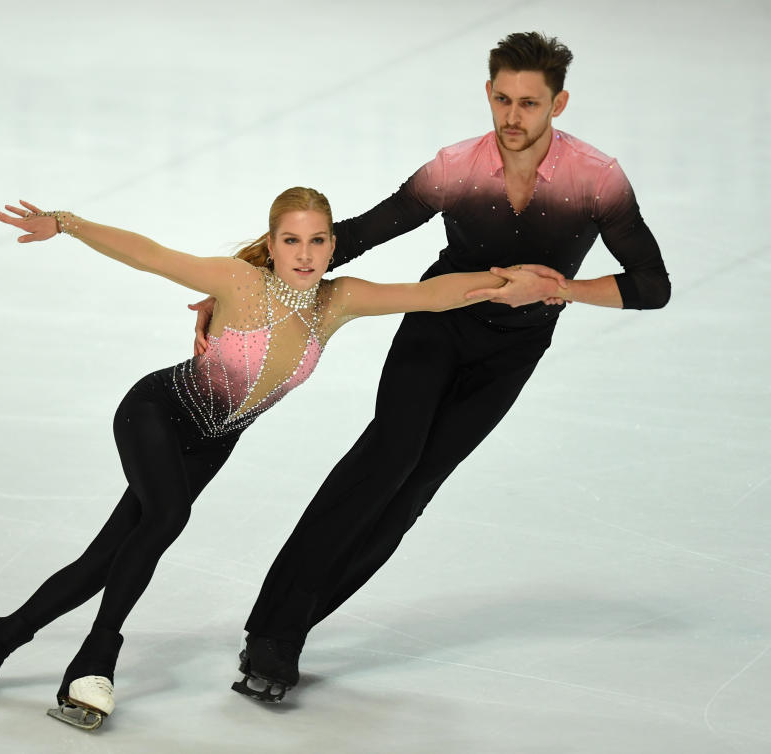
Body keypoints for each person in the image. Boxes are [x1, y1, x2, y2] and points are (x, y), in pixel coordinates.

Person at [0, 188, 558, 729]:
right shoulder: (240, 283)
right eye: (291, 240)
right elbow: (149, 253)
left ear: (332, 244)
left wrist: (514, 285)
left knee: (107, 557)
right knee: (163, 521)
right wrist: (67, 222)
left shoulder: (337, 302)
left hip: (213, 442)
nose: (305, 253)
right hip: (156, 412)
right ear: (272, 242)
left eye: (318, 240)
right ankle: (95, 660)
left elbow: (430, 295)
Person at [191, 32, 671, 703]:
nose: (512, 116)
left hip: (512, 353)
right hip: (438, 326)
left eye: (529, 103)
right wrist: (245, 279)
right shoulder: (457, 165)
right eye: (502, 98)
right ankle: (274, 640)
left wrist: (559, 288)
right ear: (488, 93)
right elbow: (358, 233)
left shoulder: (597, 178)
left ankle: (287, 624)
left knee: (413, 493)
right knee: (384, 461)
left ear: (558, 103)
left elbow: (653, 284)